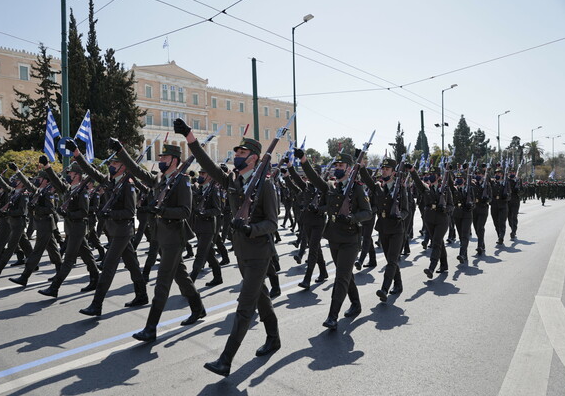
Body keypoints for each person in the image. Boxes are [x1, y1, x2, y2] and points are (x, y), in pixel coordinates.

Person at [175, 118, 280, 377]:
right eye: (236, 152)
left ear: (254, 158)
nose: (237, 156)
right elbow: (207, 163)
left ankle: (226, 359)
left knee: (245, 305)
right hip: (241, 252)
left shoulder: (265, 184)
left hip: (259, 251)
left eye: (242, 153)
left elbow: (272, 223)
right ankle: (274, 337)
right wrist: (189, 136)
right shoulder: (233, 180)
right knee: (261, 297)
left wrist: (250, 229)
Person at [108, 139, 205, 341]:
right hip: (162, 236)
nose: (161, 160)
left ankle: (151, 328)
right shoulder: (160, 180)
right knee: (181, 276)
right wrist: (121, 150)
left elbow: (186, 212)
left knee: (162, 282)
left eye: (165, 158)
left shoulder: (183, 180)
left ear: (175, 160)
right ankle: (198, 308)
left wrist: (162, 210)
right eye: (160, 158)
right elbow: (136, 170)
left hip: (174, 238)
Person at [64, 140, 149, 317]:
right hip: (115, 230)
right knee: (132, 264)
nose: (111, 165)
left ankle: (97, 304)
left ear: (124, 167)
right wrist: (77, 154)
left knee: (108, 266)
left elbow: (129, 212)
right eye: (110, 162)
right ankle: (142, 294)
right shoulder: (110, 182)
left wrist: (109, 214)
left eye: (115, 163)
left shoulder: (129, 184)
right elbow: (90, 171)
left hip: (123, 230)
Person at [297, 148, 372, 330]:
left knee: (340, 277)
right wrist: (304, 161)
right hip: (334, 238)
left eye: (341, 165)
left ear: (349, 168)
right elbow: (314, 179)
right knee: (345, 274)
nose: (337, 168)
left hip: (350, 240)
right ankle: (356, 303)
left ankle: (332, 316)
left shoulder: (357, 188)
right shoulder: (330, 187)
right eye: (336, 165)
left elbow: (367, 213)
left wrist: (352, 218)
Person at [37, 158, 100, 298]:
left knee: (69, 259)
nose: (68, 175)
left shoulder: (83, 191)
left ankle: (55, 287)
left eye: (71, 173)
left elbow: (84, 212)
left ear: (77, 175)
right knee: (87, 256)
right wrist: (47, 167)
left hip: (78, 227)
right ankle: (96, 278)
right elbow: (55, 180)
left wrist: (68, 214)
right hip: (72, 227)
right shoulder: (69, 188)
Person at [360, 158, 408, 301]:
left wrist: (399, 216)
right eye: (383, 169)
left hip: (397, 229)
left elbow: (406, 210)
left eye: (387, 169)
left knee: (392, 260)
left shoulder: (400, 188)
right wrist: (362, 167)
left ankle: (384, 288)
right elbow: (367, 180)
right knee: (390, 260)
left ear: (393, 172)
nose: (384, 171)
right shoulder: (378, 187)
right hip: (383, 228)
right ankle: (398, 284)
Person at [8, 165, 63, 286]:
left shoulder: (48, 193)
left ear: (46, 180)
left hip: (46, 224)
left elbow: (51, 209)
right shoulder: (40, 190)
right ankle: (60, 271)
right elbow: (28, 184)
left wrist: (37, 208)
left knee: (37, 251)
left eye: (40, 178)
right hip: (42, 224)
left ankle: (24, 276)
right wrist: (17, 171)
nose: (37, 179)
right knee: (53, 250)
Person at [409, 166, 453, 279]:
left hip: (442, 220)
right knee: (438, 241)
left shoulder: (445, 189)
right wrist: (413, 171)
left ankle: (431, 267)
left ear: (438, 176)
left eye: (433, 174)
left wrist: (444, 209)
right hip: (429, 219)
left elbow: (451, 206)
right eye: (429, 174)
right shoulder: (426, 188)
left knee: (436, 242)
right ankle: (444, 264)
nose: (430, 176)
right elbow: (418, 182)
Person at [189, 169, 223, 287]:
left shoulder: (214, 190)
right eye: (200, 174)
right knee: (209, 254)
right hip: (198, 225)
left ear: (209, 176)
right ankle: (218, 277)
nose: (200, 176)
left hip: (208, 227)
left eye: (203, 173)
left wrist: (204, 212)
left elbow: (217, 210)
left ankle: (190, 282)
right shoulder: (199, 189)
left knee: (200, 253)